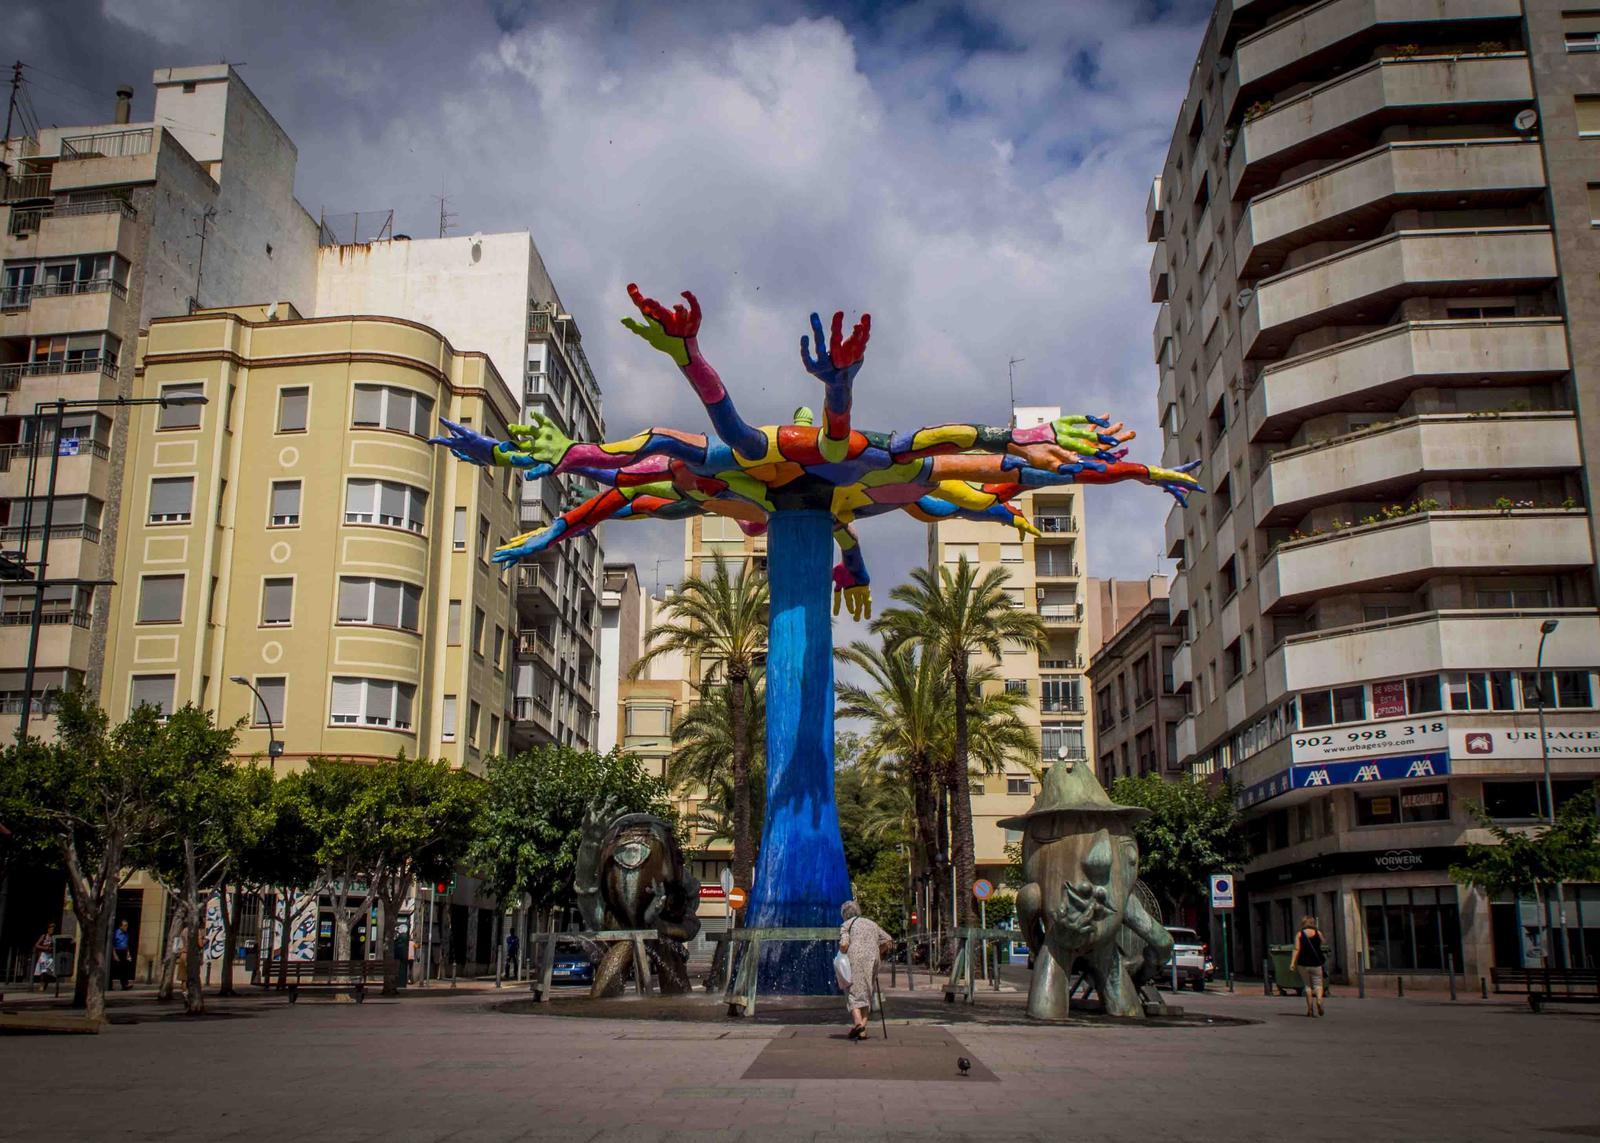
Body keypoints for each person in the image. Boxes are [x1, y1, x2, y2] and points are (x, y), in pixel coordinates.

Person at [838, 900, 893, 1041]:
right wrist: (878, 951)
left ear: (844, 914)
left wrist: (841, 951)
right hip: (873, 959)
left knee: (853, 992)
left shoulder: (846, 925)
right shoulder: (871, 924)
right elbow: (888, 940)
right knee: (867, 991)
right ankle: (862, 1030)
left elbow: (844, 945)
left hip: (855, 959)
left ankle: (857, 1024)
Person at [1289, 914, 1327, 1017]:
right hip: (1316, 963)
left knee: (1307, 986)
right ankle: (1319, 1000)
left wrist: (1292, 963)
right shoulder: (1317, 933)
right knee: (1318, 984)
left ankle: (1310, 1009)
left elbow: (1296, 949)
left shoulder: (1299, 934)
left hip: (1303, 963)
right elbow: (1324, 943)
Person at [32, 923, 57, 991]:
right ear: (48, 929)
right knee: (43, 971)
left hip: (50, 956)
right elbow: (36, 945)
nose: (52, 931)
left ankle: (46, 983)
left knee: (48, 971)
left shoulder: (53, 937)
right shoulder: (44, 936)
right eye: (51, 929)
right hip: (43, 955)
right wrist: (44, 948)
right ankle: (42, 984)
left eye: (53, 929)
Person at [112, 919, 135, 990]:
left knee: (124, 968)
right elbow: (112, 944)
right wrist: (114, 954)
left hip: (124, 951)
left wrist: (128, 953)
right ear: (121, 926)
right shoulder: (116, 933)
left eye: (127, 925)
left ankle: (125, 984)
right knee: (117, 968)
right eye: (125, 925)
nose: (126, 927)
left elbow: (126, 944)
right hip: (117, 951)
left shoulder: (126, 934)